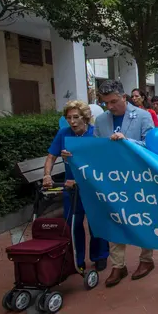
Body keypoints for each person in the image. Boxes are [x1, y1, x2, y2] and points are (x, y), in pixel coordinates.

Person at [93, 80, 155, 287]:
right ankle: (118, 265)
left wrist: (128, 141)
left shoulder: (144, 116)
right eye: (105, 103)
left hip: (139, 179)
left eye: (113, 102)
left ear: (124, 98)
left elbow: (152, 145)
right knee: (114, 219)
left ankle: (146, 260)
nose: (109, 107)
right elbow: (95, 147)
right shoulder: (101, 121)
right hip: (112, 180)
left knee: (144, 218)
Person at [43, 100, 109, 272]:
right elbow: (51, 156)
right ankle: (77, 259)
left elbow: (102, 163)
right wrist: (47, 175)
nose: (72, 121)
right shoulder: (63, 134)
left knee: (96, 223)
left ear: (85, 118)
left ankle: (100, 256)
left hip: (92, 187)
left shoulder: (95, 133)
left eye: (75, 117)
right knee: (73, 224)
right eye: (68, 117)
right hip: (71, 189)